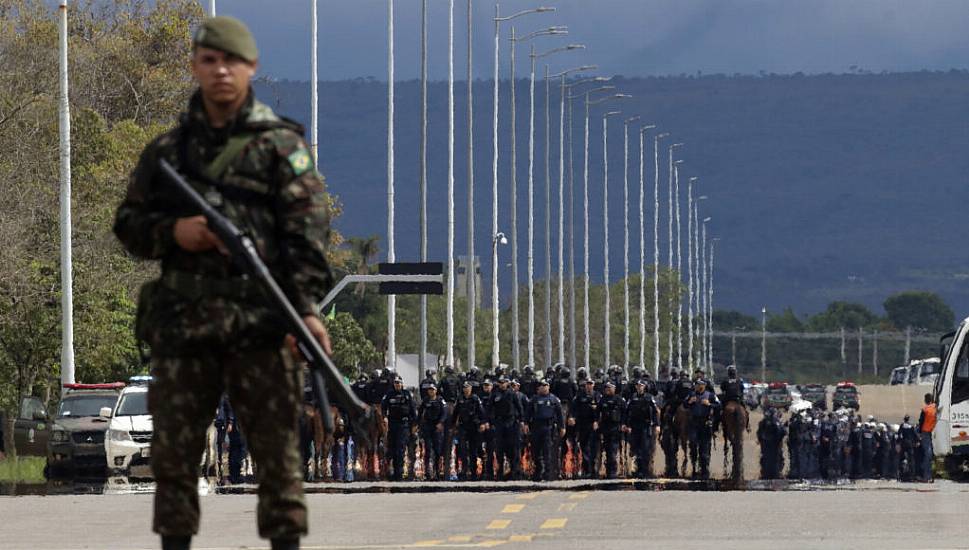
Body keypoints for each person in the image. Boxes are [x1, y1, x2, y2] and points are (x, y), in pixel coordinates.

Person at [113, 16, 334, 550]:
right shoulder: (168, 152)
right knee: (175, 458)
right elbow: (128, 225)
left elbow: (307, 238)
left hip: (260, 327)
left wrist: (304, 311)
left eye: (231, 61)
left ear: (251, 68)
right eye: (209, 61)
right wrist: (174, 232)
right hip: (186, 331)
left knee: (278, 458)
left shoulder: (280, 147)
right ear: (195, 67)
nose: (220, 71)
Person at [525, 381, 566, 481]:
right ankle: (538, 472)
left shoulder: (554, 399)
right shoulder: (534, 399)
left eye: (545, 385)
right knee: (535, 451)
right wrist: (525, 424)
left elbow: (560, 414)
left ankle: (548, 474)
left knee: (547, 451)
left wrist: (562, 427)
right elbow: (528, 413)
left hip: (548, 427)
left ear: (549, 387)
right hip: (536, 427)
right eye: (542, 386)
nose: (544, 387)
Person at [381, 377, 417, 481]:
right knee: (392, 449)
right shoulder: (389, 394)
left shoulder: (407, 394)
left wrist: (414, 425)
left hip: (403, 424)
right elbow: (383, 407)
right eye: (395, 383)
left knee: (400, 449)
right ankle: (392, 473)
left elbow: (413, 410)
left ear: (402, 384)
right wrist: (384, 417)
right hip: (392, 424)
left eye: (399, 383)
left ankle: (399, 474)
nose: (397, 385)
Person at [623, 378, 660, 478]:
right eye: (638, 386)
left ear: (644, 387)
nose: (639, 388)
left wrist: (657, 425)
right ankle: (638, 470)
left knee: (645, 448)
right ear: (636, 387)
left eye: (641, 386)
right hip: (635, 426)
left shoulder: (649, 397)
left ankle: (646, 470)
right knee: (636, 448)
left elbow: (655, 412)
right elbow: (627, 412)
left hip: (646, 425)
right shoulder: (633, 398)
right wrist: (625, 424)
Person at [491, 377, 525, 480]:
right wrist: (490, 421)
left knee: (512, 448)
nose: (502, 384)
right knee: (500, 448)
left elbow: (519, 407)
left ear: (507, 383)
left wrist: (522, 420)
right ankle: (500, 471)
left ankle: (514, 471)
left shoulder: (512, 394)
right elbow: (490, 408)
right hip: (499, 423)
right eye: (500, 383)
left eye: (504, 383)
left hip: (511, 423)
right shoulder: (495, 394)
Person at [452, 382, 486, 480]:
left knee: (473, 451)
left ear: (471, 388)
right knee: (462, 450)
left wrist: (482, 423)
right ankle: (464, 471)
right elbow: (455, 413)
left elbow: (481, 412)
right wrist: (453, 425)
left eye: (467, 387)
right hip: (463, 426)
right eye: (464, 388)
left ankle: (473, 472)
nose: (466, 389)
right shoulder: (460, 399)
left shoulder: (475, 398)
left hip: (473, 427)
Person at [570, 380, 600, 478]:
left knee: (593, 448)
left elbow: (600, 410)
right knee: (584, 447)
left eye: (591, 384)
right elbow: (573, 408)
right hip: (582, 424)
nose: (589, 386)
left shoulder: (597, 395)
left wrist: (597, 421)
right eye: (587, 384)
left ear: (593, 385)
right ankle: (587, 470)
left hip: (593, 425)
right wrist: (572, 417)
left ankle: (594, 470)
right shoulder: (579, 396)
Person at [417, 385, 448, 481]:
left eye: (432, 390)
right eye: (429, 390)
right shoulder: (425, 400)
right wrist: (418, 424)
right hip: (427, 427)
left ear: (436, 390)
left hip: (437, 428)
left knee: (438, 450)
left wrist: (441, 423)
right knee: (428, 449)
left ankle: (438, 472)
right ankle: (427, 472)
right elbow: (420, 412)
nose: (431, 391)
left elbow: (445, 413)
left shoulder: (440, 400)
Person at [686, 379, 715, 479]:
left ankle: (704, 471)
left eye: (701, 385)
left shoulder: (710, 395)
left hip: (705, 424)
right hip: (694, 423)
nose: (699, 386)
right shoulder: (692, 394)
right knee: (693, 446)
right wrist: (690, 402)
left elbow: (719, 405)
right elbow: (684, 405)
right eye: (697, 385)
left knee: (704, 449)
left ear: (705, 385)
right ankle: (694, 469)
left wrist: (709, 404)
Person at [597, 382, 625, 479]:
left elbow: (625, 413)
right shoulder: (602, 400)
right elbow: (598, 412)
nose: (607, 389)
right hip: (605, 428)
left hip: (615, 428)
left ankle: (613, 472)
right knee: (607, 450)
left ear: (614, 388)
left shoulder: (619, 400)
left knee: (613, 451)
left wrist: (623, 424)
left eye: (610, 387)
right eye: (606, 388)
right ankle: (608, 471)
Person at [757, 408, 786, 479]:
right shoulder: (766, 422)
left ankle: (773, 473)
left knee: (773, 458)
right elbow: (782, 432)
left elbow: (782, 432)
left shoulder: (765, 422)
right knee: (770, 458)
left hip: (772, 444)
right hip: (771, 444)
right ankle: (770, 473)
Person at [918, 393, 937, 482]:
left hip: (926, 432)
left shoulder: (925, 409)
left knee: (927, 454)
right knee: (932, 454)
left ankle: (926, 476)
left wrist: (919, 433)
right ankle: (932, 476)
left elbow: (921, 422)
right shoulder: (936, 408)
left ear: (926, 400)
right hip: (934, 431)